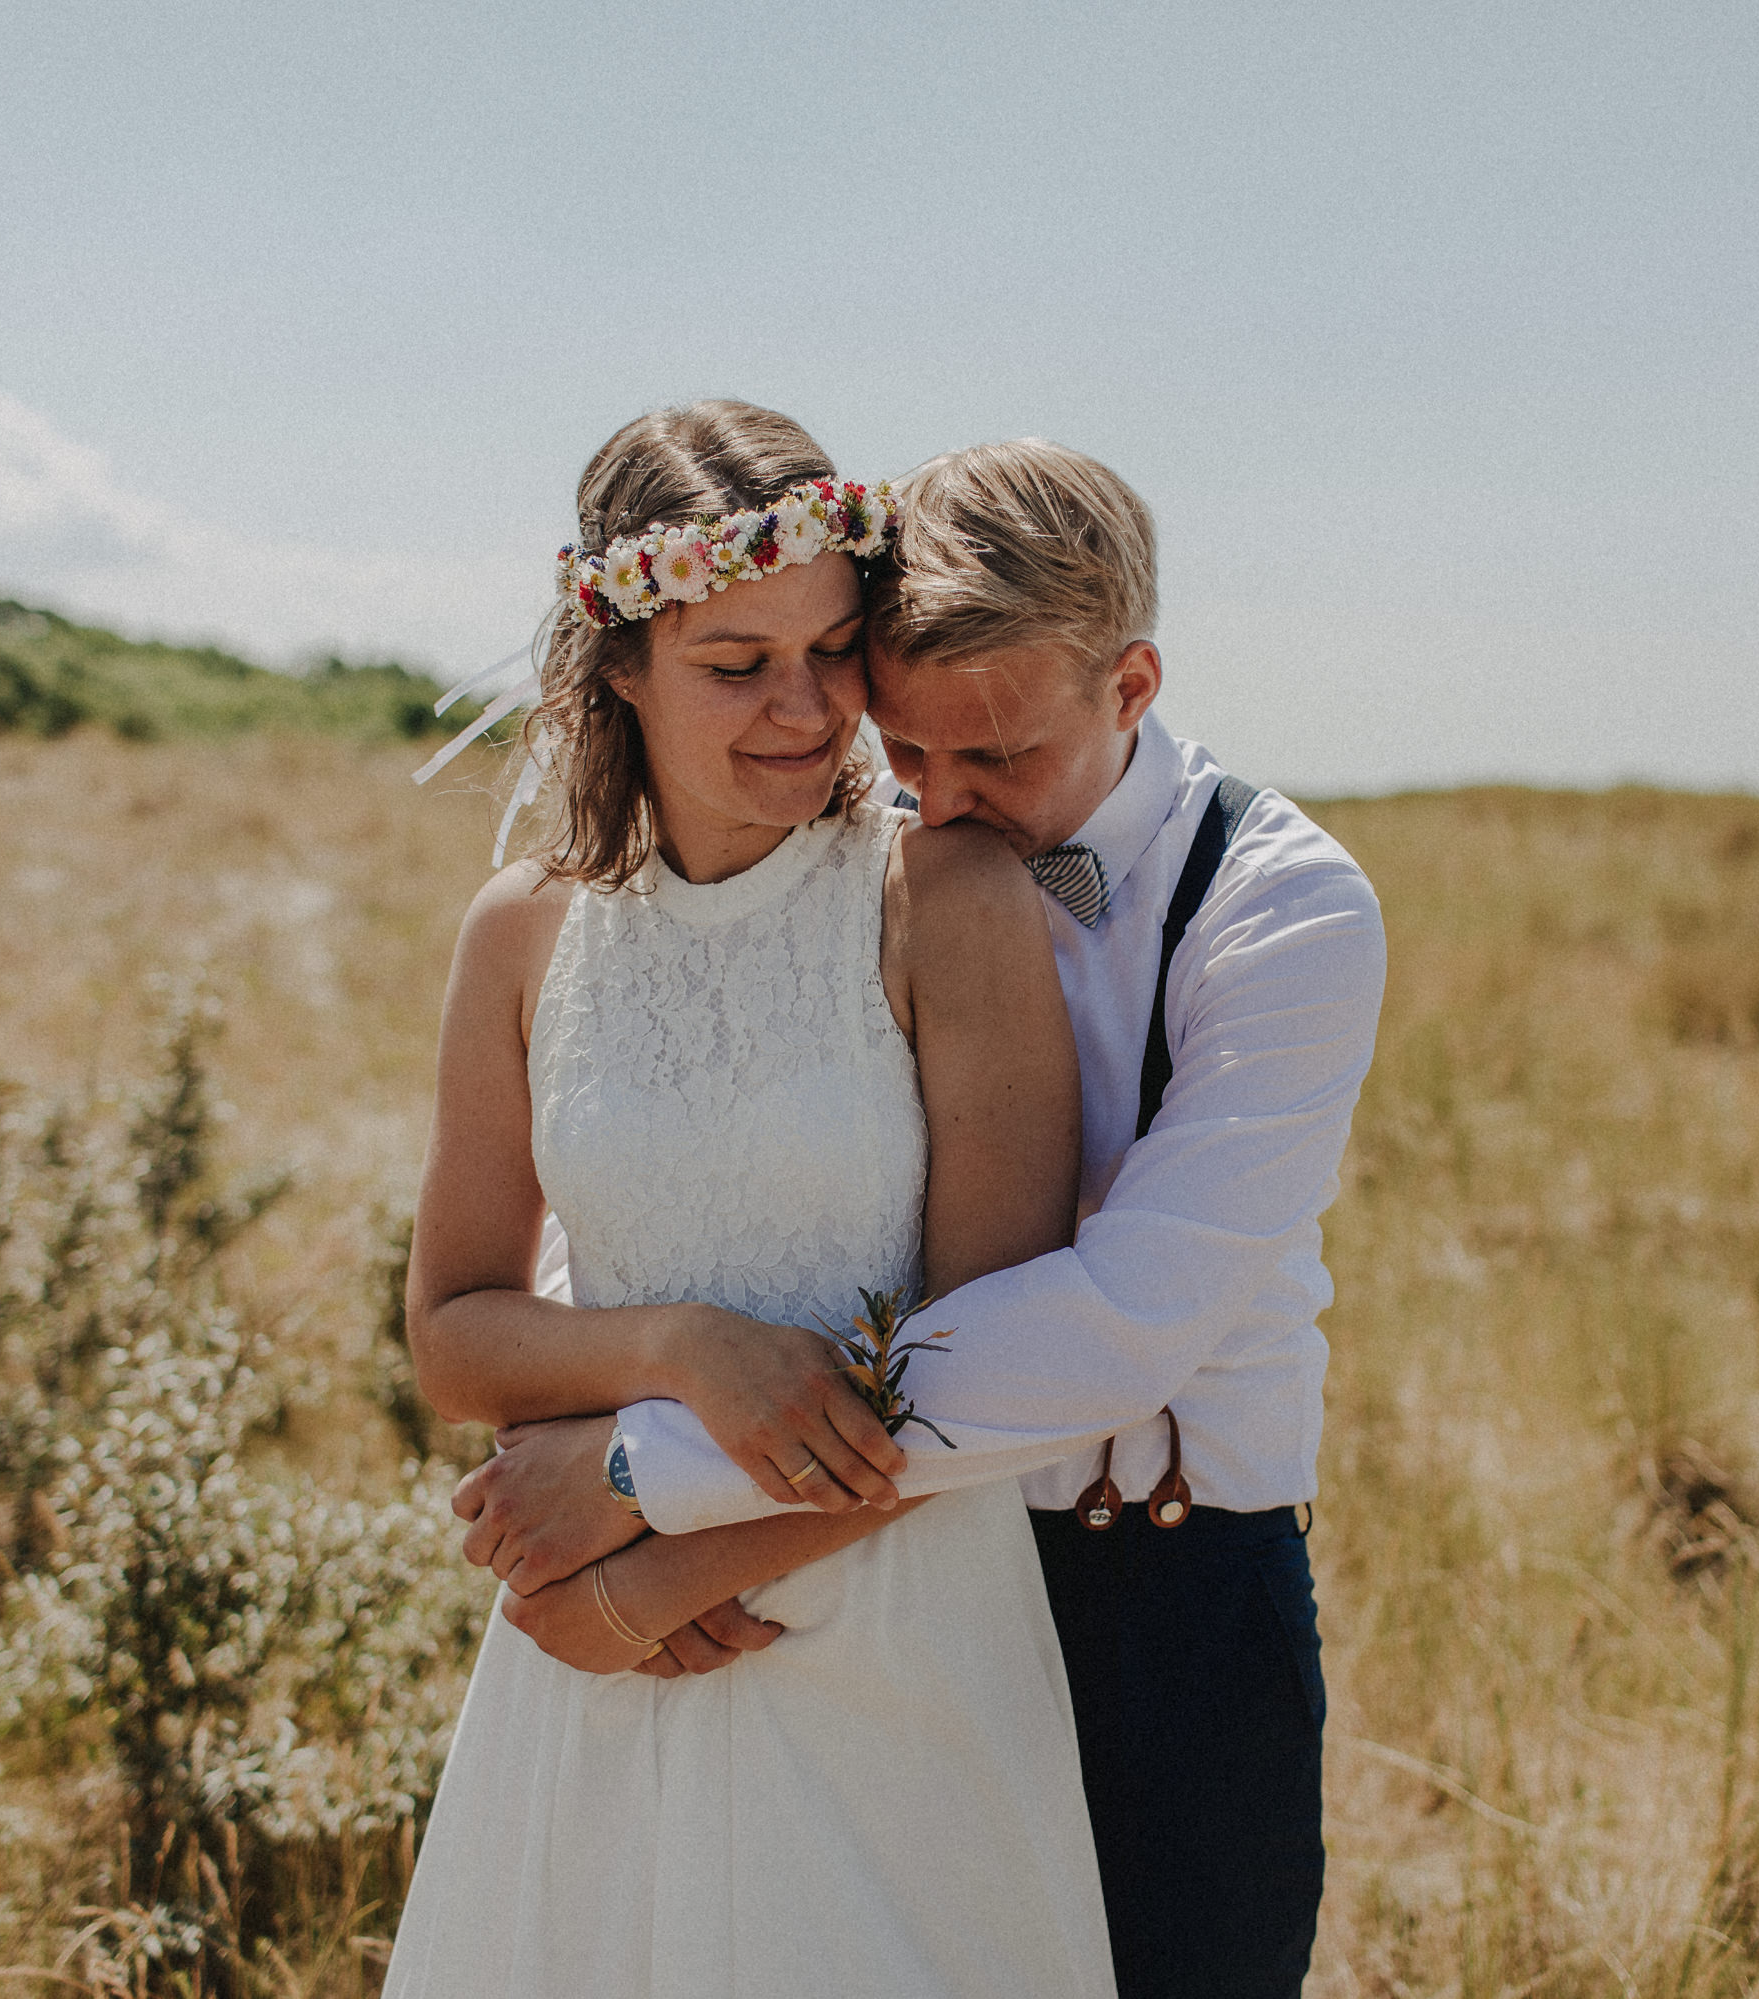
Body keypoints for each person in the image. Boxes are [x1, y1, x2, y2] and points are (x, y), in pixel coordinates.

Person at [464, 439, 1388, 1999]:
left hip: (1160, 1591)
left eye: (996, 761)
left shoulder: (1281, 910)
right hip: (867, 1580)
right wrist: (633, 1428)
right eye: (907, 755)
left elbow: (1113, 1327)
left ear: (1133, 682)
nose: (941, 806)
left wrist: (649, 1496)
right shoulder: (865, 865)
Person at [384, 402, 1116, 1999]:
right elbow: (454, 1338)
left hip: (878, 1637)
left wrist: (652, 1576)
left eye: (834, 651)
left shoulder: (952, 900)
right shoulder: (524, 932)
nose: (805, 713)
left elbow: (996, 1366)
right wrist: (686, 1349)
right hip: (594, 1665)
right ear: (618, 665)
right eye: (735, 664)